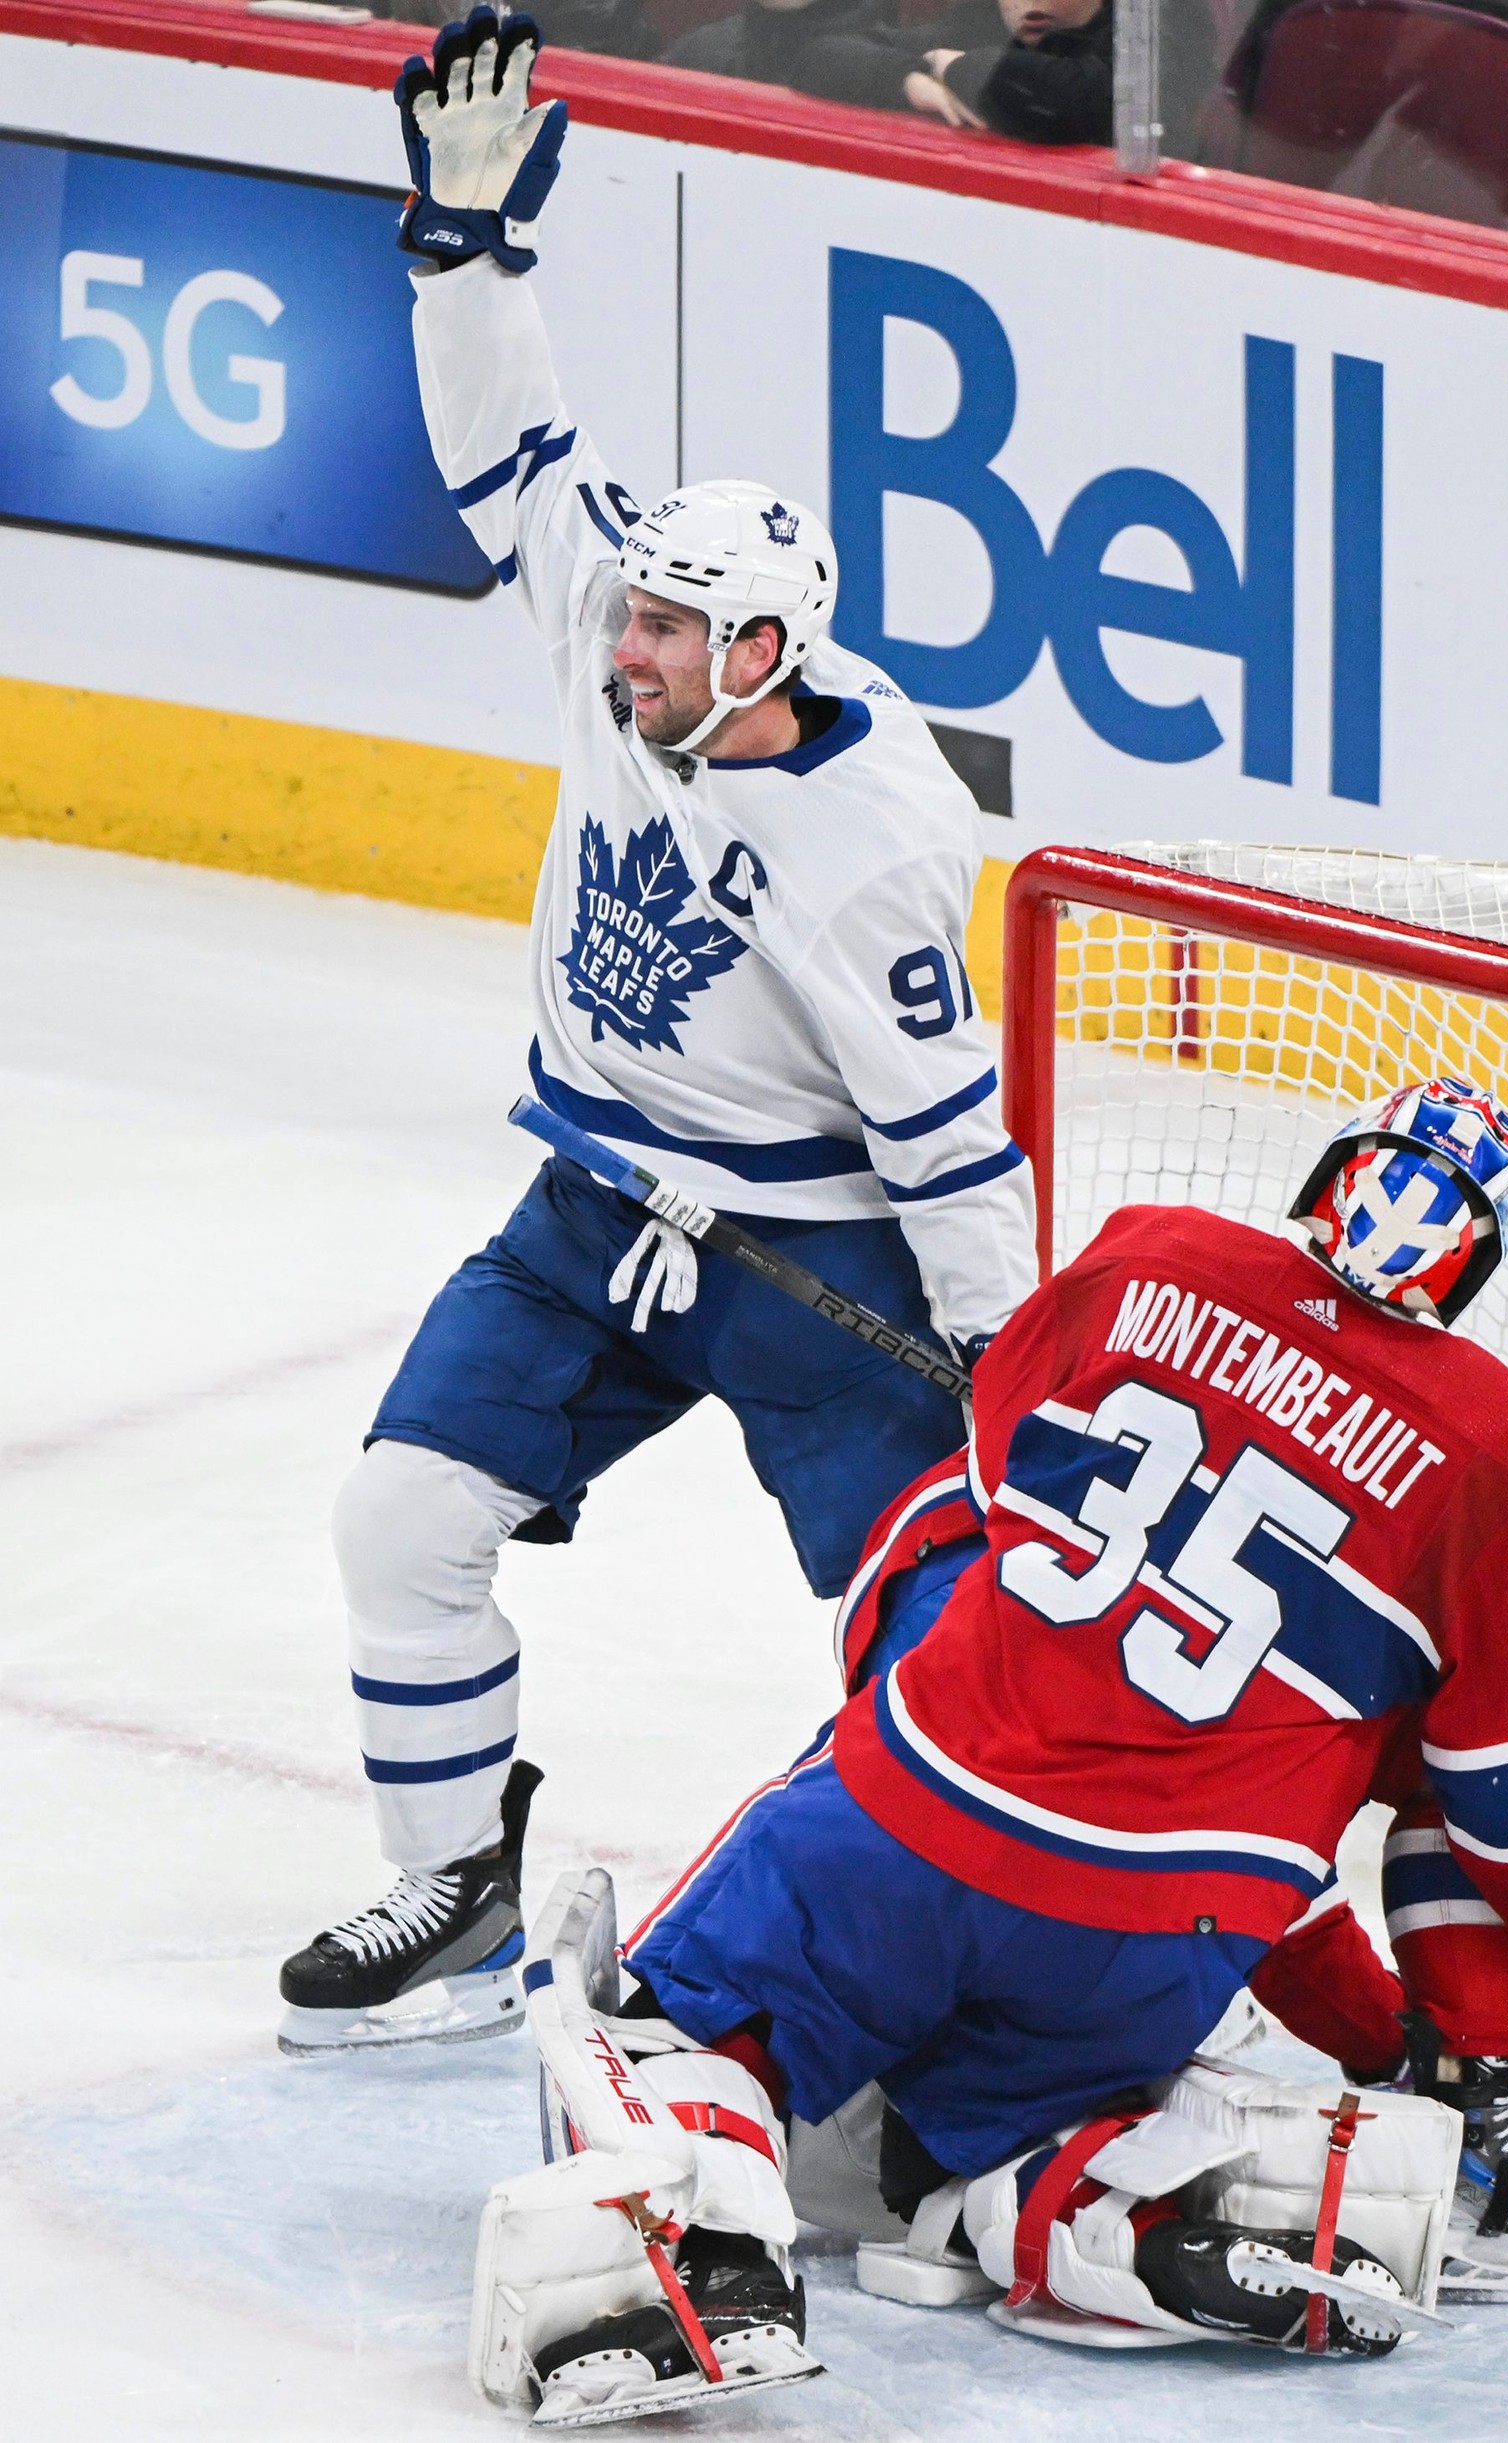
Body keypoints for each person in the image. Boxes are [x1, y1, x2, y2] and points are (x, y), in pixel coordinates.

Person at [465, 1077, 1508, 2415]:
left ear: (1336, 1172)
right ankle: (1082, 2202)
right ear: (1474, 1253)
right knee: (1014, 2110)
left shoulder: (1145, 1253)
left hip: (908, 1824)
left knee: (687, 2026)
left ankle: (699, 2242)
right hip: (1162, 1937)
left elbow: (977, 1492)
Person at [275, 11, 1036, 2056]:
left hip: (812, 1261)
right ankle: (449, 1890)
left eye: (671, 636)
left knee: (942, 1633)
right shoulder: (619, 642)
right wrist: (461, 252)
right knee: (401, 1519)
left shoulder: (874, 843)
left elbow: (950, 1134)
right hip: (593, 1207)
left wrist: (1001, 1353)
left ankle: (968, 1950)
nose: (625, 654)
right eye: (632, 623)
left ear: (766, 651)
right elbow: (508, 455)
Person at [672, 0, 1218, 157]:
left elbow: (1076, 104)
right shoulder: (979, 19)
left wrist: (951, 65)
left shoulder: (1162, 22)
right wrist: (909, 78)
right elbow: (822, 58)